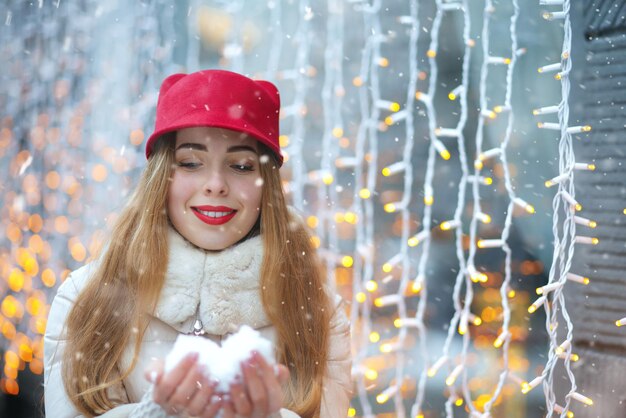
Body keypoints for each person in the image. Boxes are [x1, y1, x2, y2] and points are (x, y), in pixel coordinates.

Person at [44, 69, 352, 418]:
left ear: (266, 185)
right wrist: (154, 415)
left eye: (240, 165)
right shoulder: (85, 296)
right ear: (161, 177)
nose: (216, 184)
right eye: (191, 162)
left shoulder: (318, 309)